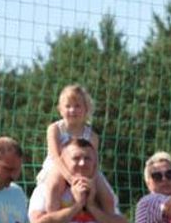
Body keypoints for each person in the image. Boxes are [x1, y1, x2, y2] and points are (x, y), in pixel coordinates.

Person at [36, 84, 116, 216]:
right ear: (60, 109)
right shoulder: (55, 129)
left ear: (86, 109)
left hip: (85, 168)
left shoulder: (92, 136)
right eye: (68, 106)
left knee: (108, 197)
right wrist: (70, 178)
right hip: (59, 167)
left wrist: (91, 181)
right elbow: (55, 156)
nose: (72, 110)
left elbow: (94, 162)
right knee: (54, 187)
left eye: (77, 106)